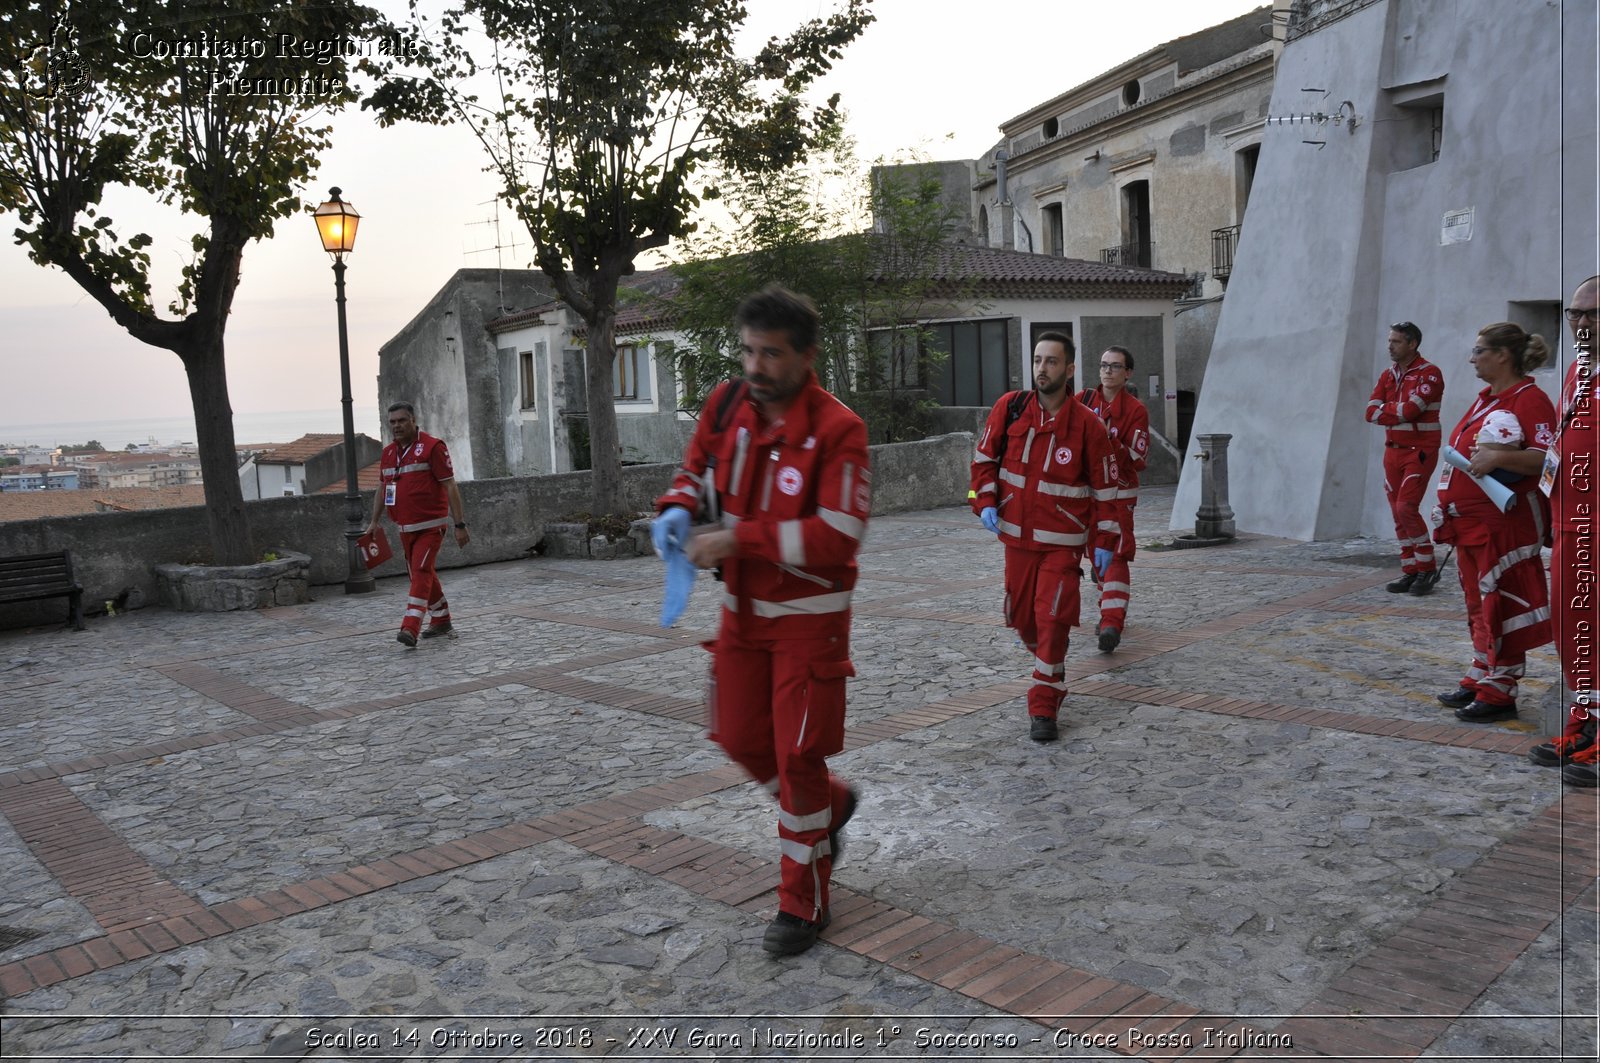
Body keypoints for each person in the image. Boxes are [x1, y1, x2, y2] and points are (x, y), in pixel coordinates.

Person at [653, 286, 869, 956]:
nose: (756, 365)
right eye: (749, 350)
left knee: (795, 757)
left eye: (771, 353)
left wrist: (740, 537)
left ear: (806, 356)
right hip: (743, 615)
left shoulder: (840, 431)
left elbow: (838, 534)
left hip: (809, 623)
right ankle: (830, 808)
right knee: (738, 734)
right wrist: (678, 508)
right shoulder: (724, 405)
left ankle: (802, 902)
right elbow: (695, 473)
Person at [970, 331, 1118, 743]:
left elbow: (1107, 492)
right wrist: (983, 500)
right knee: (1023, 619)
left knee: (1052, 619)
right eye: (1038, 360)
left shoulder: (1088, 426)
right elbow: (983, 461)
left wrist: (1104, 542)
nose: (1042, 368)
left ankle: (1044, 701)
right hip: (1016, 541)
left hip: (1062, 545)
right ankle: (1050, 663)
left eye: (1052, 361)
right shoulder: (1010, 407)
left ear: (1069, 370)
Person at [1432, 323, 1556, 722]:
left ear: (1502, 355)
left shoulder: (1531, 399)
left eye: (1479, 350)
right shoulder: (1488, 399)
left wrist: (1499, 459)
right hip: (1473, 525)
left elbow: (1544, 458)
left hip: (1506, 523)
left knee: (1499, 599)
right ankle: (1482, 671)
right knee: (1477, 600)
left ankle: (1501, 689)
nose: (1472, 358)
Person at [1530, 276, 1600, 786]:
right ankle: (1584, 725)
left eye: (1592, 314)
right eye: (1575, 314)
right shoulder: (1577, 371)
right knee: (1573, 634)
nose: (1580, 323)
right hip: (1569, 524)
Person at [366, 401, 470, 647]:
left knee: (421, 571)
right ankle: (441, 618)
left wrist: (459, 524)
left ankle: (410, 627)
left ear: (413, 420)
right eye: (392, 422)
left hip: (431, 525)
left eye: (402, 420)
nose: (397, 426)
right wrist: (373, 522)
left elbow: (450, 485)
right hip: (404, 527)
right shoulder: (389, 453)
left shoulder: (433, 447)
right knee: (422, 572)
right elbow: (383, 488)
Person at [1077, 345, 1150, 652]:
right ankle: (1108, 604)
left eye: (1115, 366)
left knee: (1116, 553)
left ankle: (1111, 622)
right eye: (1104, 365)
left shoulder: (1135, 411)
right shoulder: (1082, 400)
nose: (1107, 371)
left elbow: (1137, 458)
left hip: (1119, 495)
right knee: (1098, 555)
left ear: (1127, 373)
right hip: (1088, 495)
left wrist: (1107, 439)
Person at [1366, 321, 1446, 595]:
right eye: (1390, 341)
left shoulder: (1430, 373)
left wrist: (1388, 410)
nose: (1390, 346)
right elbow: (1370, 412)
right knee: (1397, 513)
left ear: (1412, 344)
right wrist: (1394, 410)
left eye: (1396, 341)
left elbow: (1412, 410)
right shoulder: (1388, 375)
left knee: (1406, 508)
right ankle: (1410, 570)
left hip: (1419, 451)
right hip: (1392, 451)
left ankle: (1427, 568)